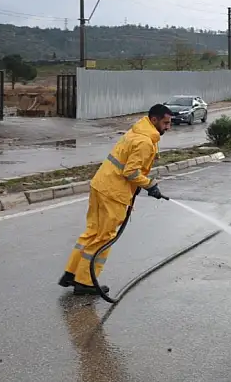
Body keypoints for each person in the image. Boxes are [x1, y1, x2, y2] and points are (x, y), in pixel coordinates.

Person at [58, 104, 173, 296]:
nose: (168, 127)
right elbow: (131, 172)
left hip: (101, 184)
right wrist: (150, 185)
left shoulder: (137, 130)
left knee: (92, 232)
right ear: (154, 120)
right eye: (166, 123)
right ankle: (85, 281)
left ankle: (71, 272)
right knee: (104, 237)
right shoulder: (145, 141)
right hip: (113, 192)